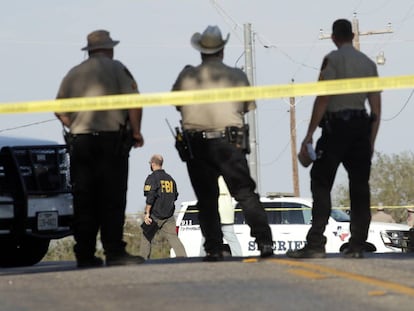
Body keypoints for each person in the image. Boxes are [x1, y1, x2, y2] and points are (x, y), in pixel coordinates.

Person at [172, 25, 273, 261]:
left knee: (206, 200)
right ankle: (264, 243)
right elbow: (247, 107)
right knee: (245, 194)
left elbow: (177, 104)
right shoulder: (236, 76)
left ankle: (214, 248)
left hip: (198, 145)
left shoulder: (187, 76)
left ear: (200, 51)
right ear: (222, 50)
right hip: (230, 144)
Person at [286, 19, 381, 259]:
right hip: (360, 129)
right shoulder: (368, 63)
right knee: (360, 188)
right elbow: (376, 109)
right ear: (352, 35)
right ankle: (357, 243)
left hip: (336, 128)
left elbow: (324, 99)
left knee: (321, 182)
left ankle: (316, 242)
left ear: (334, 37)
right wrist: (370, 141)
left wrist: (309, 134)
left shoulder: (332, 60)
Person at [55, 30, 145, 268]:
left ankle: (84, 254)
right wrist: (136, 131)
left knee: (84, 199)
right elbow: (134, 102)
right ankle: (114, 252)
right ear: (109, 48)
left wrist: (74, 125)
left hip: (81, 143)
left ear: (90, 50)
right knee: (112, 197)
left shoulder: (73, 74)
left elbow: (59, 109)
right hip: (110, 142)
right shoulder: (117, 69)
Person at [139, 154, 187, 259]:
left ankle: (143, 261)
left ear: (152, 164)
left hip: (155, 215)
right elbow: (175, 196)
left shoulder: (152, 178)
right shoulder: (170, 179)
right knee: (174, 238)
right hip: (169, 216)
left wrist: (147, 213)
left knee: (146, 236)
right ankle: (184, 259)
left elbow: (150, 197)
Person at [199, 176, 243, 257]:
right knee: (231, 237)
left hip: (212, 211)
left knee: (206, 236)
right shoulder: (228, 177)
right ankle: (238, 256)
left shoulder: (209, 176)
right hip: (227, 211)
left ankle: (202, 257)